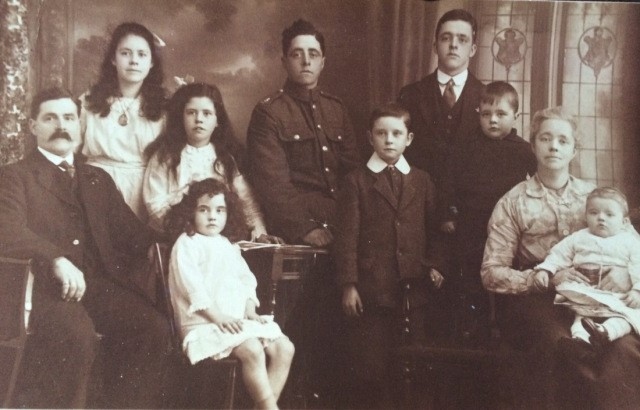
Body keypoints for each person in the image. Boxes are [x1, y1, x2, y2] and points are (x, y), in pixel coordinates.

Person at [0, 87, 171, 408]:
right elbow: (6, 229)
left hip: (98, 286)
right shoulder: (14, 177)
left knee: (153, 329)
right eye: (50, 118)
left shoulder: (96, 178)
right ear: (33, 126)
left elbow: (133, 234)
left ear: (79, 125)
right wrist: (55, 258)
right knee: (77, 340)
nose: (61, 125)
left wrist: (183, 240)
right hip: (43, 289)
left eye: (68, 117)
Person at [481, 106, 640, 408]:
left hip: (602, 297)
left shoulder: (597, 199)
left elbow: (634, 245)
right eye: (546, 138)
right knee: (561, 345)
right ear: (533, 145)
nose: (554, 146)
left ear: (575, 149)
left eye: (563, 141)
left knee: (622, 346)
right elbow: (491, 272)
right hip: (540, 302)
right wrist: (546, 279)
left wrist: (625, 277)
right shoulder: (512, 201)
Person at [246, 19, 360, 405]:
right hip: (300, 237)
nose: (305, 62)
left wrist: (350, 228)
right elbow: (273, 186)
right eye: (297, 54)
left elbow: (353, 176)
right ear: (284, 61)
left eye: (313, 54)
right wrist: (308, 229)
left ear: (324, 61)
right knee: (304, 329)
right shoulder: (269, 114)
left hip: (342, 229)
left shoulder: (337, 110)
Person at [335, 103, 444, 408]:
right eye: (381, 133)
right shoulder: (356, 181)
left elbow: (435, 229)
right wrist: (349, 284)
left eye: (397, 133)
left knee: (413, 365)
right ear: (369, 137)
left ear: (409, 139)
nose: (389, 140)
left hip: (413, 289)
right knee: (372, 369)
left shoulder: (421, 180)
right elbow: (346, 238)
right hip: (373, 290)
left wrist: (434, 265)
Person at [165, 178, 295, 410]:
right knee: (253, 349)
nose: (212, 216)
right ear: (190, 213)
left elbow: (245, 281)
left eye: (219, 210)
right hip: (202, 323)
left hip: (234, 322)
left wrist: (249, 311)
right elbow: (192, 288)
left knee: (285, 348)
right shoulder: (187, 244)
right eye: (204, 210)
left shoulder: (226, 244)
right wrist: (219, 317)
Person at [397, 9, 485, 337]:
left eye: (462, 39)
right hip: (417, 210)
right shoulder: (411, 95)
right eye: (446, 38)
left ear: (473, 49)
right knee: (418, 302)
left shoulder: (486, 99)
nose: (453, 46)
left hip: (467, 217)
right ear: (434, 45)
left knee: (462, 307)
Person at [440, 81, 536, 343]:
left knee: (506, 278)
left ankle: (506, 330)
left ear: (516, 115)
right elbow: (448, 181)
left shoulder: (524, 150)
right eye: (486, 114)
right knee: (472, 278)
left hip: (510, 229)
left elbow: (537, 183)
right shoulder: (466, 146)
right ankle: (475, 330)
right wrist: (449, 215)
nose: (493, 120)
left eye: (501, 114)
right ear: (478, 114)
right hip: (472, 223)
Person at [143, 82, 272, 241]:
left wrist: (259, 230)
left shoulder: (224, 160)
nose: (199, 119)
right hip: (175, 236)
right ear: (181, 118)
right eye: (191, 113)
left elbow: (247, 201)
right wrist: (186, 228)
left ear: (218, 121)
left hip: (216, 236)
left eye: (207, 113)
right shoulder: (165, 157)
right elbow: (155, 205)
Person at [534, 187, 640, 349]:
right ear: (585, 216)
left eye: (609, 214)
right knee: (580, 314)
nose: (601, 218)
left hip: (618, 295)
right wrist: (546, 269)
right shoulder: (579, 237)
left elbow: (639, 265)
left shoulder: (630, 241)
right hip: (587, 292)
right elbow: (559, 254)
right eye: (594, 213)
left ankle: (606, 332)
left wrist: (637, 291)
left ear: (624, 221)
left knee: (632, 316)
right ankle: (580, 341)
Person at [81, 22, 167, 222]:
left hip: (143, 192)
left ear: (152, 62)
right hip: (95, 187)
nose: (134, 61)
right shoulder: (89, 101)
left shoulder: (163, 109)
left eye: (142, 54)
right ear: (113, 59)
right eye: (125, 53)